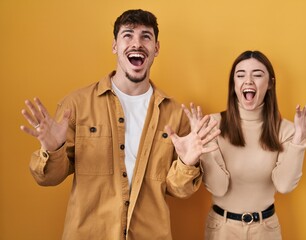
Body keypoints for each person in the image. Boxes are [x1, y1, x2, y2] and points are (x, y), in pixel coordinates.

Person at [20, 9, 220, 240]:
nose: (137, 44)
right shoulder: (76, 105)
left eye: (146, 36)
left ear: (156, 48)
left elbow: (177, 189)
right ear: (115, 45)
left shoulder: (175, 115)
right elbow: (48, 178)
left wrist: (187, 162)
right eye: (128, 35)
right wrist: (53, 150)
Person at [191, 50, 306, 240]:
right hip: (221, 229)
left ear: (270, 83)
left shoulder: (286, 130)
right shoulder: (213, 125)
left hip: (266, 230)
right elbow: (218, 187)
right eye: (240, 75)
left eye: (257, 75)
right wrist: (203, 144)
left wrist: (300, 138)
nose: (248, 81)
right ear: (234, 85)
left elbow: (285, 185)